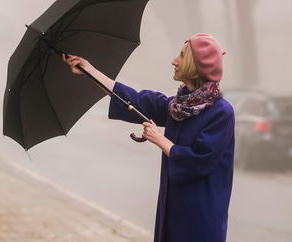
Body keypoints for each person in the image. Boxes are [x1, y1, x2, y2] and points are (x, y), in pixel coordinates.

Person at [63, 33, 235, 242]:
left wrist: (160, 139)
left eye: (181, 56)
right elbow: (132, 98)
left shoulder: (221, 113)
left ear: (195, 64)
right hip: (172, 207)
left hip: (201, 216)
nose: (174, 61)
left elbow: (200, 161)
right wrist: (88, 69)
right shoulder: (178, 107)